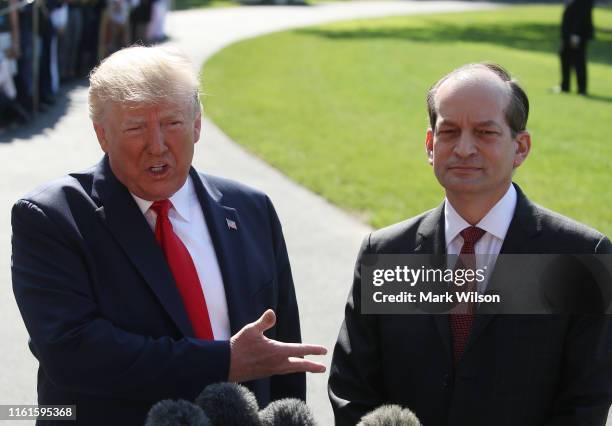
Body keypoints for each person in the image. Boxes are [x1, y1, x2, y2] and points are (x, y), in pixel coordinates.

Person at [11, 45, 326, 426]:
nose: (157, 145)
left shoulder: (251, 210)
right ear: (102, 135)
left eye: (172, 123)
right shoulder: (53, 218)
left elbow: (279, 355)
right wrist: (223, 361)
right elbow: (72, 353)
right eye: (135, 127)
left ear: (197, 124)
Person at [328, 62, 612, 426]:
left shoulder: (578, 257)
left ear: (520, 147)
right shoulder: (386, 253)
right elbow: (352, 389)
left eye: (484, 132)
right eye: (449, 132)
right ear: (430, 145)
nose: (463, 148)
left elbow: (584, 403)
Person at [559, 0, 594, 95]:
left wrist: (575, 34)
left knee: (579, 61)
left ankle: (581, 89)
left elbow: (582, 14)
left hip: (577, 35)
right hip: (569, 33)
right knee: (564, 57)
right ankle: (565, 86)